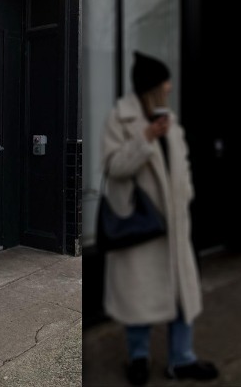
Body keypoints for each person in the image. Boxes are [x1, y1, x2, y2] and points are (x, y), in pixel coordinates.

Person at [100, 51, 219, 385]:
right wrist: (145, 138)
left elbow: (182, 168)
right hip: (142, 227)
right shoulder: (120, 119)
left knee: (182, 296)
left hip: (175, 227)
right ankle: (139, 358)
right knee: (140, 296)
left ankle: (182, 359)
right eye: (164, 81)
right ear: (151, 86)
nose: (169, 87)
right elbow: (114, 167)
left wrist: (187, 196)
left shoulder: (172, 122)